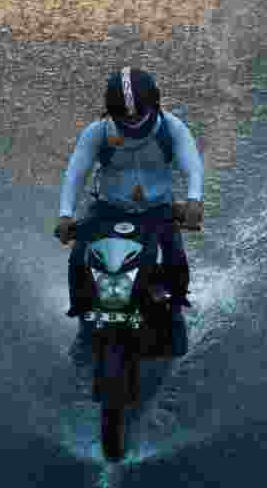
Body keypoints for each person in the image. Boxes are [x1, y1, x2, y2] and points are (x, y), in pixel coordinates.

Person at [55, 66, 205, 360]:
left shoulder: (171, 128)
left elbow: (191, 163)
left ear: (154, 104)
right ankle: (85, 323)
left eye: (139, 113)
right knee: (78, 260)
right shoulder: (97, 132)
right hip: (107, 210)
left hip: (158, 211)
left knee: (175, 259)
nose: (133, 119)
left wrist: (194, 200)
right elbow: (76, 171)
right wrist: (65, 214)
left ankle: (174, 311)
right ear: (111, 110)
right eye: (125, 115)